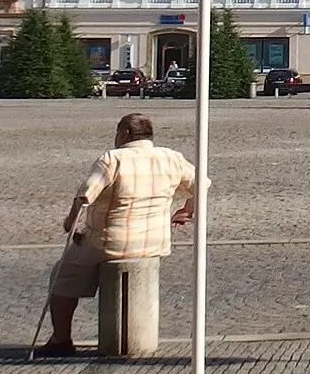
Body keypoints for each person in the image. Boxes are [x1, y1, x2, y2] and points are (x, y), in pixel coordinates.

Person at [36, 112, 197, 357]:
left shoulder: (113, 159)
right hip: (155, 242)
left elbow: (85, 196)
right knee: (78, 260)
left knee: (63, 275)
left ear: (125, 133)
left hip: (109, 242)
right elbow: (202, 185)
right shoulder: (171, 158)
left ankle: (61, 339)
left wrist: (70, 224)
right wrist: (187, 210)